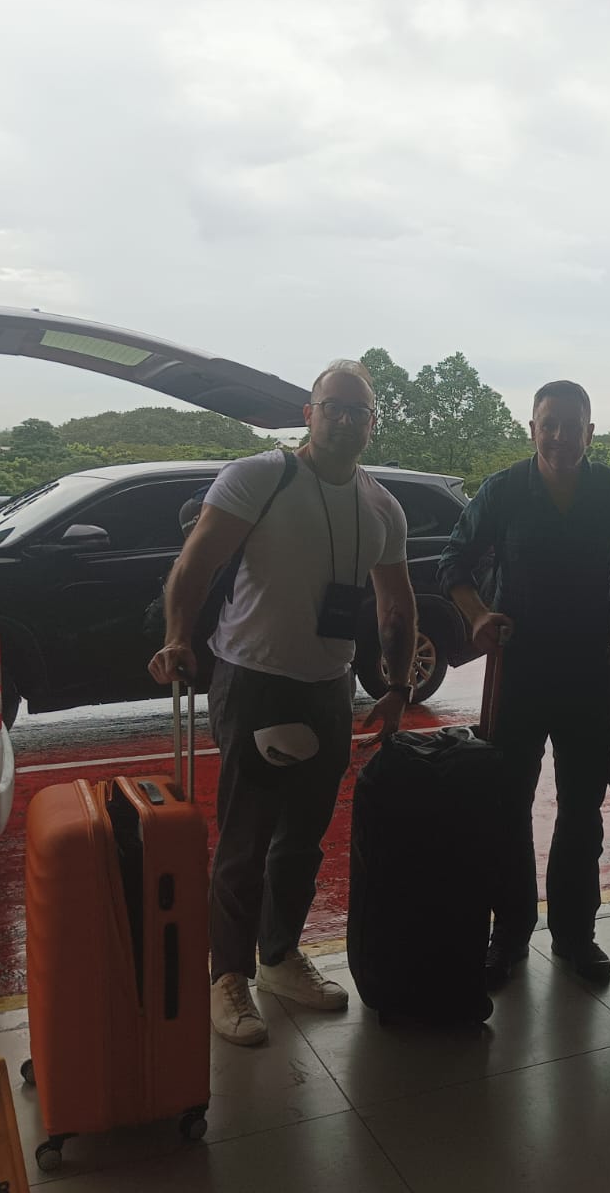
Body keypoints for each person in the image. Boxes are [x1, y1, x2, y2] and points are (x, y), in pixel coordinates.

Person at [148, 358, 417, 1047]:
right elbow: (196, 563)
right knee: (246, 837)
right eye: (335, 407)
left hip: (329, 683)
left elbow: (396, 603)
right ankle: (227, 976)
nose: (347, 420)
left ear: (373, 424)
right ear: (310, 412)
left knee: (303, 838)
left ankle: (277, 957)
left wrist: (395, 686)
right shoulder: (259, 477)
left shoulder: (381, 505)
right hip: (253, 677)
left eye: (360, 411)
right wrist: (178, 636)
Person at [438, 380, 610, 988]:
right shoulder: (503, 491)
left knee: (582, 810)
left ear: (591, 431)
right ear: (531, 427)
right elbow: (453, 562)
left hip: (589, 672)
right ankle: (508, 934)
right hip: (518, 671)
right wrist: (478, 615)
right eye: (548, 424)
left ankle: (574, 934)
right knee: (508, 806)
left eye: (572, 425)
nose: (560, 436)